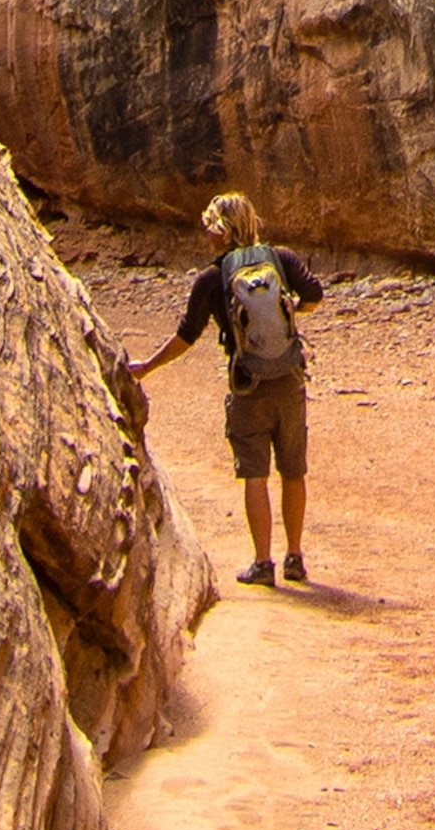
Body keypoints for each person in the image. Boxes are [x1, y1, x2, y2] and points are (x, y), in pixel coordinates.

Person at [134, 191, 324, 585]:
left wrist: (148, 366)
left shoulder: (212, 277)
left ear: (223, 232)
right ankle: (295, 557)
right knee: (293, 469)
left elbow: (186, 335)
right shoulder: (281, 259)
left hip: (247, 384)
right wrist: (290, 310)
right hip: (288, 379)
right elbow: (315, 296)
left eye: (210, 229)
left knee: (255, 474)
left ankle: (262, 563)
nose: (207, 237)